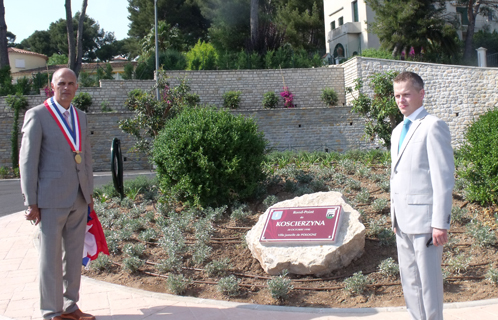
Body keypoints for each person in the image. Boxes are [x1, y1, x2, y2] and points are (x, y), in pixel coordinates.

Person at [19, 68, 95, 320]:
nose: (66, 87)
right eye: (61, 83)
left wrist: (89, 193)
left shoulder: (81, 116)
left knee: (73, 257)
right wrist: (31, 201)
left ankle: (71, 307)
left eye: (71, 83)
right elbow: (28, 161)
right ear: (52, 86)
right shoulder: (38, 115)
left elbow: (86, 158)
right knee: (49, 259)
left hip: (78, 198)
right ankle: (52, 312)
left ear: (77, 87)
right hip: (50, 200)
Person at [390, 71, 454, 320]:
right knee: (410, 283)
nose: (401, 100)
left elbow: (443, 178)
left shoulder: (433, 126)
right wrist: (394, 216)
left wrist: (440, 223)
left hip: (426, 223)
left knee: (429, 285)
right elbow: (397, 176)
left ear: (421, 94)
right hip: (403, 223)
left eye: (406, 94)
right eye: (397, 95)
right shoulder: (397, 131)